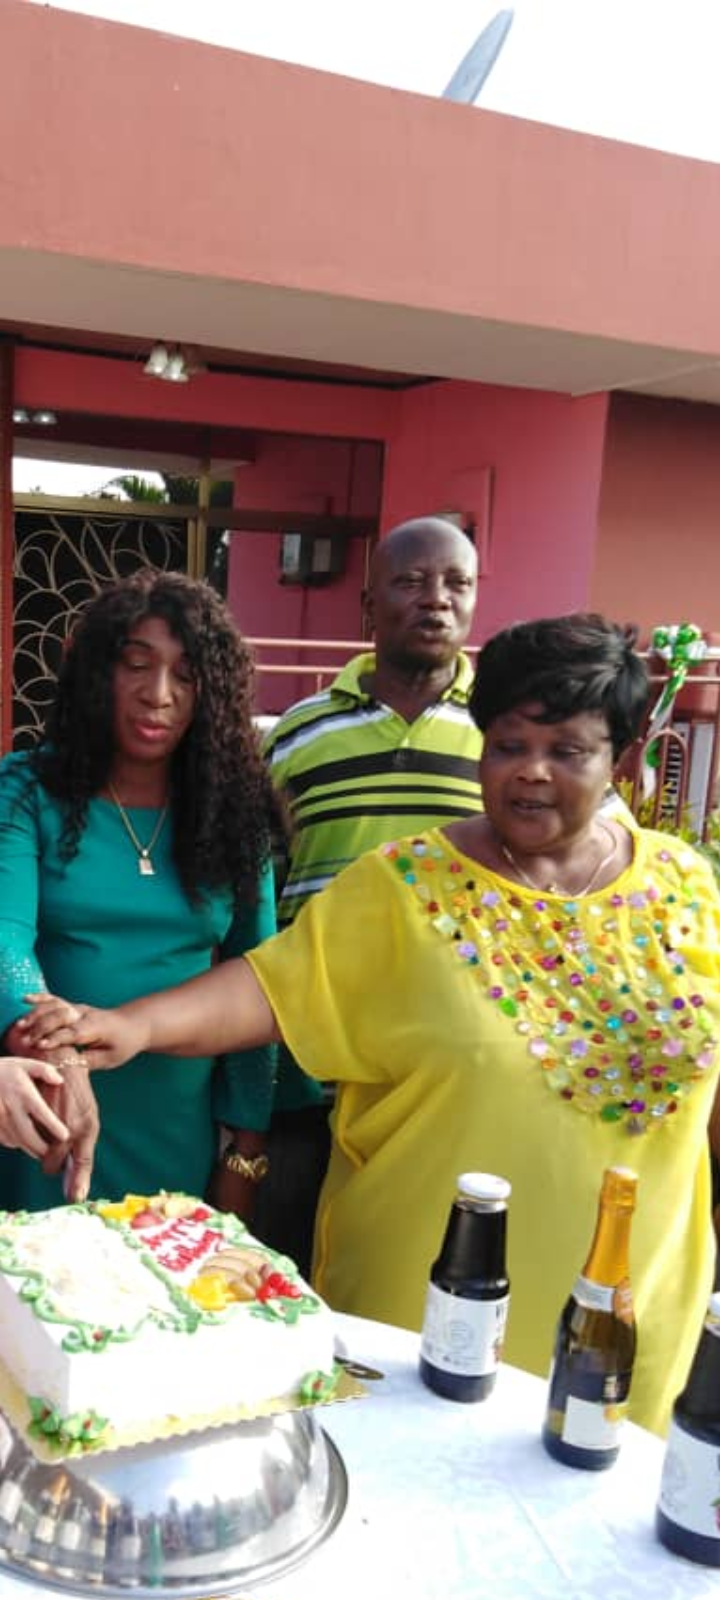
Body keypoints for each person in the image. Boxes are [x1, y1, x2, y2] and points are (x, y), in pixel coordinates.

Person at [25, 613, 720, 1437]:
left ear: (624, 758)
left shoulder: (686, 887)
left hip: (627, 1314)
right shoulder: (405, 884)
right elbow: (272, 987)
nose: (531, 772)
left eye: (567, 751)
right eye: (508, 745)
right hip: (418, 1312)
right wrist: (129, 1027)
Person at [0, 570, 280, 1214]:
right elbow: (6, 939)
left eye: (186, 675)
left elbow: (260, 981)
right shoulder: (26, 790)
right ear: (99, 672)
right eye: (137, 665)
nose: (159, 695)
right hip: (44, 1115)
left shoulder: (235, 817)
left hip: (176, 1131)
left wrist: (245, 1151)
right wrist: (63, 1054)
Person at [255, 516, 483, 1271]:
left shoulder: (509, 737)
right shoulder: (299, 735)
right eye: (411, 581)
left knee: (418, 1270)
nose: (436, 599)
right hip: (311, 1059)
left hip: (449, 1066)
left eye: (456, 583)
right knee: (284, 1260)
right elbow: (260, 882)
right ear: (368, 604)